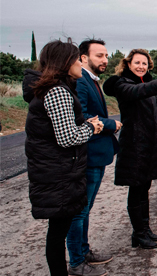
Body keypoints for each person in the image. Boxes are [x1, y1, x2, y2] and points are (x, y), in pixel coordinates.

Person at [23, 38, 104, 276]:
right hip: (59, 175)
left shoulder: (50, 88)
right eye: (76, 58)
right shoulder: (58, 91)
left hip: (53, 171)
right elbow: (67, 138)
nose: (80, 62)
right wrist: (92, 128)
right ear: (64, 62)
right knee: (58, 233)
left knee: (57, 232)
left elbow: (58, 128)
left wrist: (82, 123)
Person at [102, 49, 157, 249]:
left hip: (149, 145)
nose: (141, 66)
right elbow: (136, 92)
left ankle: (145, 229)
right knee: (136, 189)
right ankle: (138, 233)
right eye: (137, 63)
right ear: (128, 64)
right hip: (134, 145)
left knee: (145, 188)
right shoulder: (123, 84)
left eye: (144, 63)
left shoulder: (144, 84)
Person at [63, 38, 120, 276]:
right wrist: (112, 124)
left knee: (85, 209)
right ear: (83, 58)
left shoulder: (91, 80)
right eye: (99, 56)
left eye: (106, 55)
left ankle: (84, 252)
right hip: (88, 155)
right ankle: (76, 263)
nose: (105, 60)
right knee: (79, 211)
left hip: (96, 154)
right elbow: (84, 116)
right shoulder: (81, 82)